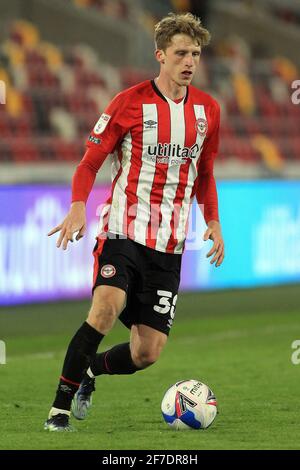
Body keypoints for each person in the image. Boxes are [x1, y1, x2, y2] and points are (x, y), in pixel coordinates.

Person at [44, 12, 225, 432]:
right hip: (123, 230)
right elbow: (89, 163)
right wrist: (77, 206)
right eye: (181, 53)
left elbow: (206, 173)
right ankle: (59, 409)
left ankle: (91, 372)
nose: (189, 62)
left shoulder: (208, 111)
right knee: (106, 308)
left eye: (195, 54)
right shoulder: (128, 102)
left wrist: (213, 221)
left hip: (170, 242)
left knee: (147, 353)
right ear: (160, 55)